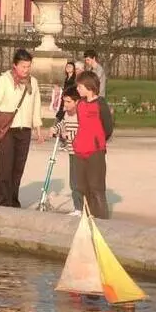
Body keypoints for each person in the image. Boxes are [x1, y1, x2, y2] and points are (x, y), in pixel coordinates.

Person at [0, 49, 43, 208]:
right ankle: (2, 202)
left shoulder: (33, 82)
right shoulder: (5, 80)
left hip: (25, 130)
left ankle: (13, 200)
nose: (26, 70)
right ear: (15, 65)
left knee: (18, 169)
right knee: (5, 168)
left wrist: (37, 128)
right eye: (23, 66)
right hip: (8, 129)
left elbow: (36, 105)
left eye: (28, 66)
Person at [73, 71, 114, 219]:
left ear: (89, 86)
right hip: (80, 151)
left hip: (95, 151)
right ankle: (89, 217)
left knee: (97, 188)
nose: (77, 89)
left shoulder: (100, 104)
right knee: (83, 188)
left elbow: (108, 127)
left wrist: (98, 140)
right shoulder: (80, 104)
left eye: (80, 86)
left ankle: (102, 220)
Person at [51, 86, 83, 215]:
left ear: (77, 102)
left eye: (69, 101)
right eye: (65, 101)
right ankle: (78, 207)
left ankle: (81, 208)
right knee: (73, 181)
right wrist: (55, 129)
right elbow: (62, 124)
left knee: (78, 181)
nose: (66, 104)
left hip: (79, 152)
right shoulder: (66, 114)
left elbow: (82, 132)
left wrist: (68, 135)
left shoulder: (80, 115)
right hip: (71, 151)